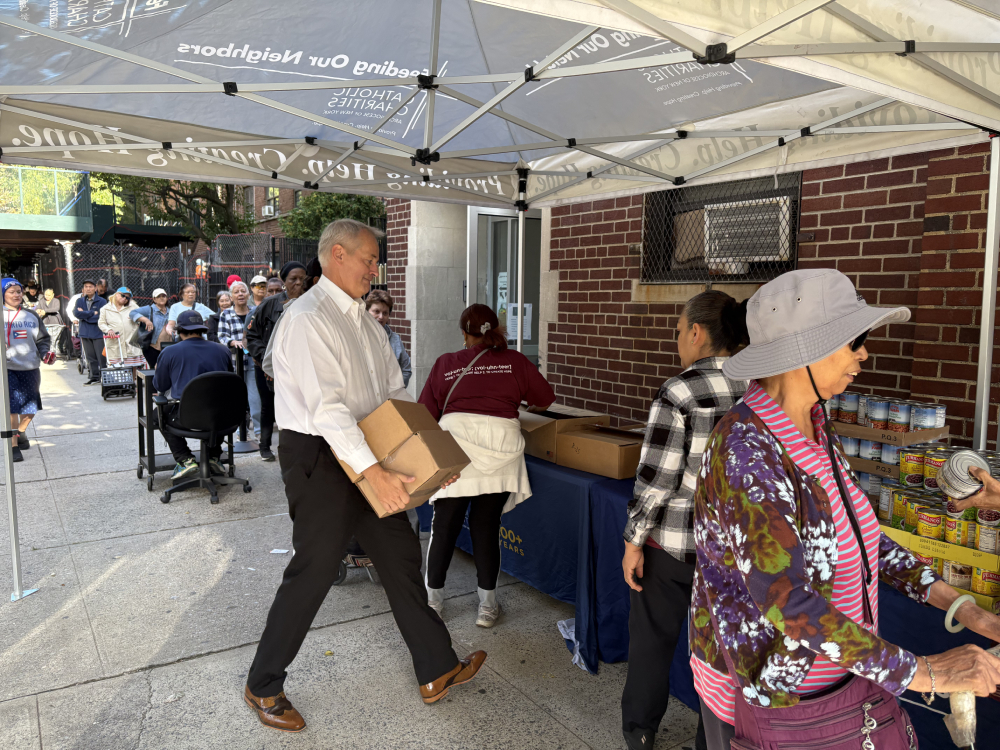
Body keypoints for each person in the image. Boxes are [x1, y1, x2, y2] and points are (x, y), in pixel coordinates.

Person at [692, 269, 1000, 750]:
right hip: (779, 699)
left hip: (841, 681)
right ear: (802, 349)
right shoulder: (745, 450)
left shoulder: (816, 423)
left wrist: (958, 604)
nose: (864, 353)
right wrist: (923, 672)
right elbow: (788, 599)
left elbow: (863, 535)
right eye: (853, 340)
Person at [246, 219, 483, 732]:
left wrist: (422, 461)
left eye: (377, 261)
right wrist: (373, 474)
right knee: (314, 568)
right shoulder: (307, 318)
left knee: (399, 557)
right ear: (336, 254)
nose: (376, 270)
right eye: (369, 259)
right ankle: (262, 683)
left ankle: (436, 667)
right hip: (317, 457)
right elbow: (329, 411)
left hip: (369, 451)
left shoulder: (368, 324)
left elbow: (394, 398)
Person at [620, 291, 750, 750]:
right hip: (737, 553)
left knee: (652, 644)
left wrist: (634, 539)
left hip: (675, 545)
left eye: (678, 331)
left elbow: (656, 479)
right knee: (722, 661)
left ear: (697, 332)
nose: (678, 341)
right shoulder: (763, 387)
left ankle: (640, 733)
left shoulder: (680, 391)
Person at [419, 303, 554, 627]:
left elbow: (426, 411)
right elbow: (544, 397)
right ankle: (487, 607)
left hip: (457, 453)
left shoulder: (446, 363)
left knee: (445, 528)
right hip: (501, 453)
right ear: (497, 330)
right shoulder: (516, 362)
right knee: (486, 529)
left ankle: (433, 603)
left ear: (464, 334)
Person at [153, 311, 234, 480]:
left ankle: (184, 459)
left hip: (187, 418)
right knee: (218, 407)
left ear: (179, 330)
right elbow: (229, 382)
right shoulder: (223, 350)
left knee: (157, 414)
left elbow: (160, 386)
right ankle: (214, 456)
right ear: (202, 329)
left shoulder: (169, 352)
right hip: (222, 417)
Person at [246, 261, 309, 461]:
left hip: (298, 367)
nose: (298, 283)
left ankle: (291, 448)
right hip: (267, 367)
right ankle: (265, 446)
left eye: (302, 279)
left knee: (296, 407)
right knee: (269, 406)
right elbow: (252, 336)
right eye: (293, 279)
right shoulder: (270, 304)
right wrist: (266, 359)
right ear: (284, 281)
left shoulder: (310, 304)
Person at [2, 278, 52, 463]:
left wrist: (45, 353)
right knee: (12, 407)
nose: (16, 295)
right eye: (11, 292)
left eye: (18, 291)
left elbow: (42, 339)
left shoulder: (32, 315)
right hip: (7, 368)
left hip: (30, 366)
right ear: (3, 295)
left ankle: (20, 432)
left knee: (30, 408)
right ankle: (13, 446)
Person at [218, 281, 262, 439]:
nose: (240, 294)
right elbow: (222, 336)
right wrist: (232, 342)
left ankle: (258, 431)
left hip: (253, 360)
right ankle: (239, 431)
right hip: (235, 361)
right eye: (236, 292)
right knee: (236, 397)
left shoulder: (256, 311)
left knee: (255, 396)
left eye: (243, 291)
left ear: (249, 294)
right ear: (231, 297)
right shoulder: (226, 314)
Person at [366, 289, 411, 387]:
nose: (381, 317)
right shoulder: (356, 336)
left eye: (385, 313)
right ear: (367, 312)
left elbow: (406, 369)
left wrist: (396, 388)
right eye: (376, 311)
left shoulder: (395, 340)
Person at [74, 279, 108, 385]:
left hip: (97, 333)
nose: (88, 289)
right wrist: (92, 313)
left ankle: (105, 377)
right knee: (90, 356)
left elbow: (101, 317)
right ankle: (94, 377)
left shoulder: (102, 301)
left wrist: (84, 315)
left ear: (95, 288)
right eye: (86, 287)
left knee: (101, 357)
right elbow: (76, 313)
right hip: (85, 332)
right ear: (83, 289)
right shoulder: (79, 301)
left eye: (90, 286)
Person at [98, 287, 142, 365]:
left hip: (130, 344)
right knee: (117, 370)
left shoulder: (133, 306)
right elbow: (101, 323)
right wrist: (108, 330)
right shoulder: (105, 309)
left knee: (134, 368)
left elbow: (141, 317)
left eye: (128, 297)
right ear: (117, 294)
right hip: (115, 345)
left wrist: (137, 319)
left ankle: (134, 378)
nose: (125, 298)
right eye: (123, 295)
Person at [131, 288, 171, 368]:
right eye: (159, 296)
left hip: (168, 346)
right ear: (154, 299)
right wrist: (146, 320)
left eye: (164, 296)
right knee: (155, 369)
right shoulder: (149, 309)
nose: (162, 298)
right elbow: (132, 313)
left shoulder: (171, 311)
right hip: (153, 347)